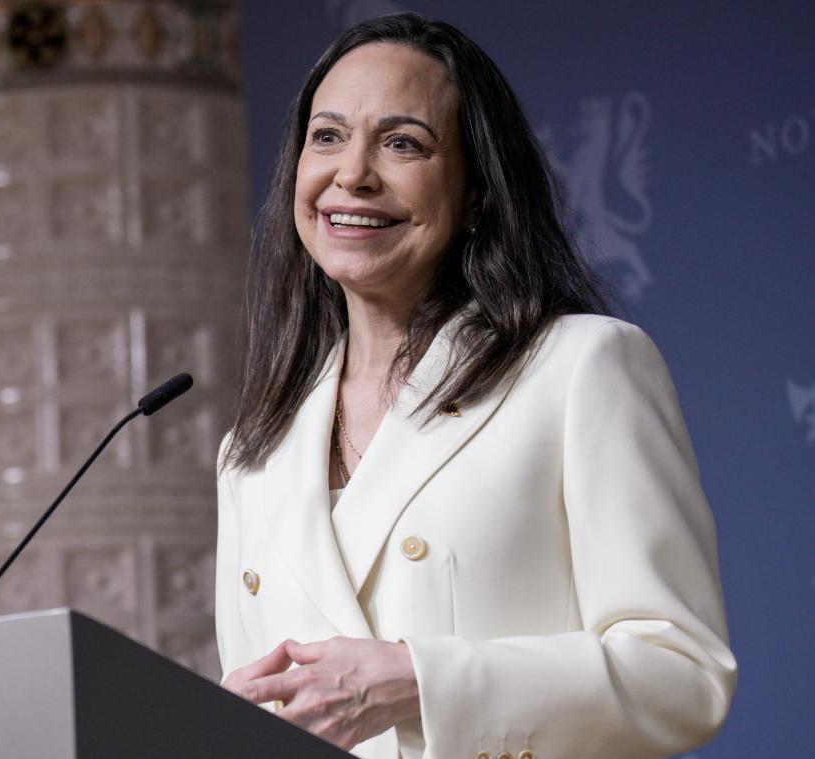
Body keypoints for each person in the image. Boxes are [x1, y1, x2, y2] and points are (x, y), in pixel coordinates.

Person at [214, 13, 735, 759]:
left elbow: (684, 674)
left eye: (402, 143)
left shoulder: (581, 367)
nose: (352, 173)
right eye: (326, 136)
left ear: (479, 194)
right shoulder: (251, 453)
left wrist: (423, 680)